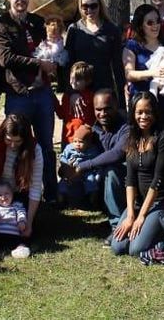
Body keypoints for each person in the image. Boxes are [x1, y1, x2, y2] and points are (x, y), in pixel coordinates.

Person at [0, 0, 59, 200]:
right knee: (15, 143)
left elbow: (51, 47)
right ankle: (16, 191)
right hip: (18, 93)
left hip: (43, 93)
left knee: (46, 145)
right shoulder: (0, 26)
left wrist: (53, 63)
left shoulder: (38, 23)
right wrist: (38, 63)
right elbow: (6, 58)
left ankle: (51, 193)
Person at [111, 92, 164, 257]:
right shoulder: (132, 137)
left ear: (155, 113)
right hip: (138, 202)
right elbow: (130, 180)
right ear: (133, 113)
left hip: (159, 202)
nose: (144, 116)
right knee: (117, 247)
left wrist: (142, 217)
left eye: (148, 112)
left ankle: (163, 235)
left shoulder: (163, 137)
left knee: (135, 249)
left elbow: (158, 180)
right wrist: (131, 215)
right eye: (139, 112)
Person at [0, 114, 44, 256]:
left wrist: (29, 222)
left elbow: (35, 187)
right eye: (8, 140)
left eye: (18, 141)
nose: (12, 145)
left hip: (19, 192)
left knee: (26, 224)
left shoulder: (35, 150)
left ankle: (20, 244)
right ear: (2, 134)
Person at [59, 89, 128, 229]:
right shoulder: (93, 131)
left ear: (116, 106)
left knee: (111, 171)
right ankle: (100, 208)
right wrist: (67, 168)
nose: (103, 113)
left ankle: (116, 224)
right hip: (96, 178)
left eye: (107, 109)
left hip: (124, 180)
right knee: (70, 188)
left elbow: (117, 153)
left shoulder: (127, 128)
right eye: (98, 109)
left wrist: (83, 166)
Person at [64, 0, 126, 107]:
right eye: (85, 6)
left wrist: (121, 103)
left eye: (93, 6)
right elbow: (68, 64)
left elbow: (118, 66)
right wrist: (72, 92)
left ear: (100, 5)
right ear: (80, 7)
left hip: (104, 91)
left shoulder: (112, 30)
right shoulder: (74, 29)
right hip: (80, 92)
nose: (89, 10)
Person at [0, 179, 30, 259]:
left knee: (21, 241)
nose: (4, 197)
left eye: (6, 193)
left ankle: (20, 250)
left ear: (12, 194)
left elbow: (21, 213)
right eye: (0, 195)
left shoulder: (16, 205)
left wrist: (21, 222)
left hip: (13, 234)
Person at [57, 124, 102, 204]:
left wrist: (97, 173)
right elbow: (63, 157)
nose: (77, 144)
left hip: (86, 171)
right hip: (71, 170)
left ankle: (92, 199)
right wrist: (67, 164)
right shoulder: (69, 148)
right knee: (63, 182)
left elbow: (97, 161)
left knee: (91, 180)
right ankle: (61, 198)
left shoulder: (93, 151)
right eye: (75, 141)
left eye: (81, 142)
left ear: (88, 143)